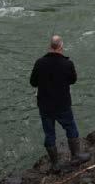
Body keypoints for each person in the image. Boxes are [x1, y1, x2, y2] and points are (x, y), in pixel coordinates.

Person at [30, 35, 91, 172]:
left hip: (45, 105)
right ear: (61, 47)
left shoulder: (39, 62)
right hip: (62, 104)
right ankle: (76, 156)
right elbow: (73, 80)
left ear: (50, 47)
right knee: (71, 128)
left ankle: (55, 164)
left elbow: (32, 82)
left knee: (49, 133)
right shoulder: (67, 63)